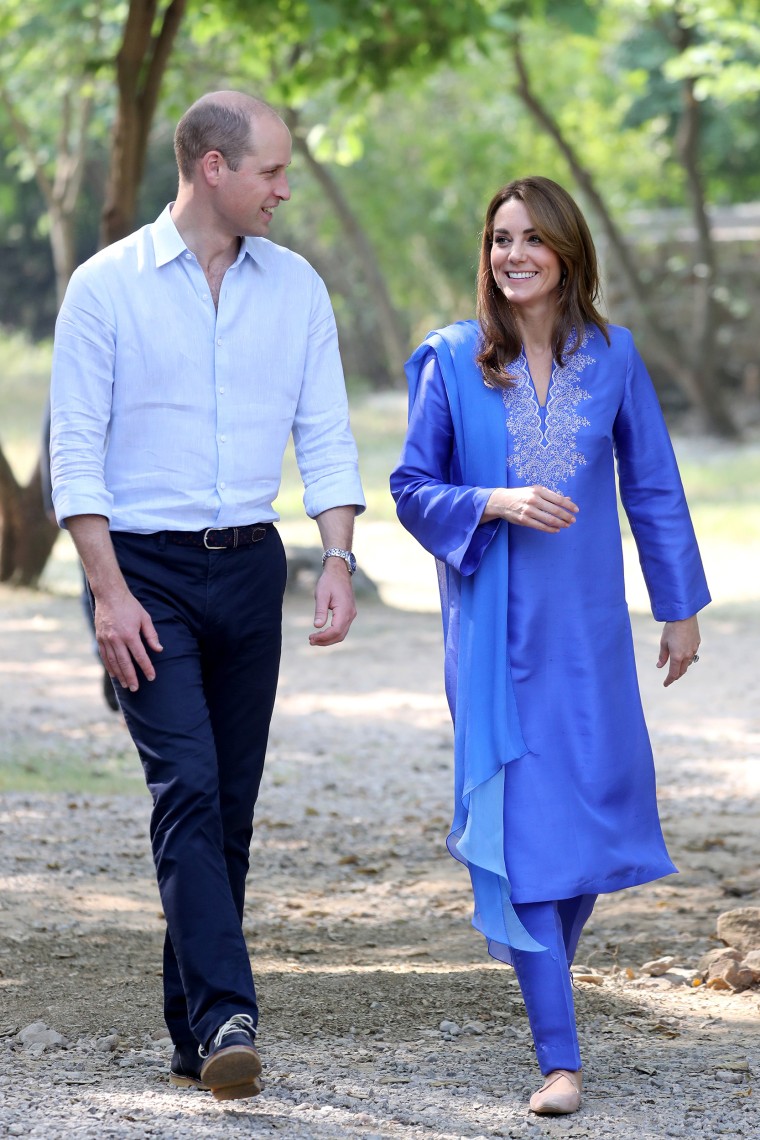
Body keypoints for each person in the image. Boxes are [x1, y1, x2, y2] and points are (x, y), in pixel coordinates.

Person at [50, 91, 365, 1102]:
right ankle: (233, 1010)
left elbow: (324, 430)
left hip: (250, 567)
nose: (285, 188)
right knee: (184, 785)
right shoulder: (107, 288)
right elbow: (74, 455)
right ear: (211, 168)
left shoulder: (297, 287)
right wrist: (107, 594)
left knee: (225, 805)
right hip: (143, 571)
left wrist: (339, 558)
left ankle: (195, 1034)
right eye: (271, 170)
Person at [390, 176, 709, 1116]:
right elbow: (411, 486)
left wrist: (678, 604)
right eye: (499, 238)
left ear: (568, 251)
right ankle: (559, 1057)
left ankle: (543, 975)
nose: (513, 254)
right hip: (494, 632)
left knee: (598, 814)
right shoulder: (451, 360)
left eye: (532, 237)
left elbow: (652, 483)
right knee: (524, 829)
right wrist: (493, 499)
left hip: (591, 636)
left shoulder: (613, 356)